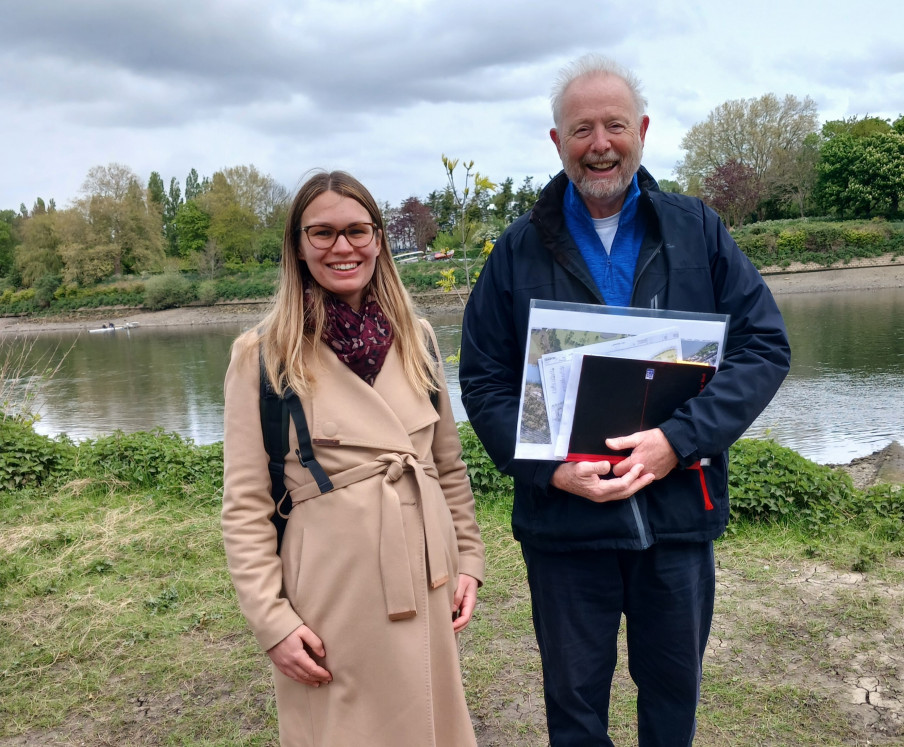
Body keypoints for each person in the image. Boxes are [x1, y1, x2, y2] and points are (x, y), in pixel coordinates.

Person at [459, 55, 791, 745]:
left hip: (676, 518)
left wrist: (679, 441)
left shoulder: (697, 230)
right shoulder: (515, 250)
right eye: (582, 129)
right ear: (558, 143)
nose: (600, 143)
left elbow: (764, 347)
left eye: (615, 125)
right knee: (574, 711)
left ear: (642, 131)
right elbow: (483, 380)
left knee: (672, 704)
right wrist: (549, 468)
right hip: (564, 529)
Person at [222, 170, 484, 746]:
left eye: (357, 230)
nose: (343, 247)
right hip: (331, 591)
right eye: (323, 233)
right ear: (298, 245)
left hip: (426, 575)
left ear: (379, 238)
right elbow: (245, 507)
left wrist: (468, 560)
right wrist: (273, 623)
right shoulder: (262, 356)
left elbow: (448, 467)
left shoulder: (418, 339)